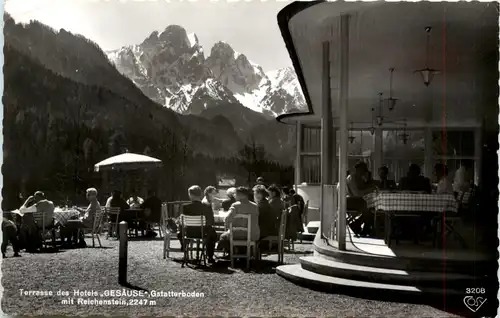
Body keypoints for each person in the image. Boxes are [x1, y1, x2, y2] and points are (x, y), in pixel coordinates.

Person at [178, 186, 217, 263]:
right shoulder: (207, 206)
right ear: (200, 195)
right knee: (213, 234)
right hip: (203, 233)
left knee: (180, 233)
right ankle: (210, 256)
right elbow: (211, 221)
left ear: (191, 195)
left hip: (189, 232)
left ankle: (184, 249)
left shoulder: (185, 207)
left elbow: (181, 222)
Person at [218, 187, 260, 252]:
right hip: (253, 235)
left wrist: (228, 227)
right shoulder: (255, 206)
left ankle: (231, 254)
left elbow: (227, 219)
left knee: (223, 237)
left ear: (241, 195)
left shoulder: (235, 205)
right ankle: (242, 253)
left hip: (237, 234)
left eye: (235, 194)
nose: (234, 195)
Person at [345, 161, 376, 236]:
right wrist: (370, 189)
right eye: (363, 170)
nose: (364, 172)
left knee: (372, 207)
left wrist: (369, 179)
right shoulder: (352, 178)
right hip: (348, 201)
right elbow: (357, 194)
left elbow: (363, 188)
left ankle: (359, 225)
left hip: (355, 200)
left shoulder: (359, 178)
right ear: (358, 169)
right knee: (368, 207)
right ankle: (363, 227)